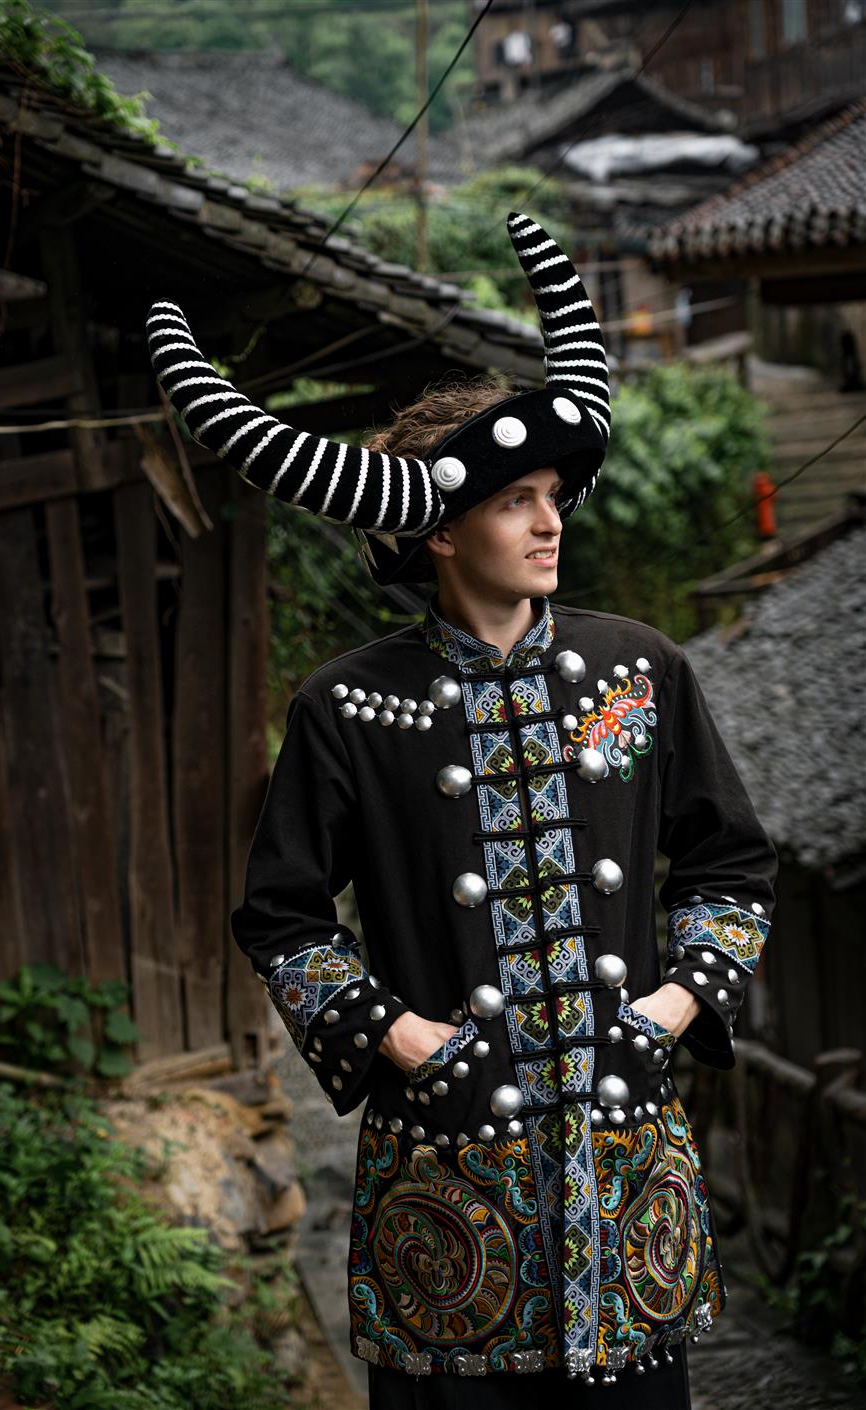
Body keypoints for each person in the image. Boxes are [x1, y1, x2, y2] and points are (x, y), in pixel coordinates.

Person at [145, 213, 778, 1406]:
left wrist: (675, 996)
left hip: (623, 1175)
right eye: (514, 500)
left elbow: (732, 869)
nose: (550, 522)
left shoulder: (636, 672)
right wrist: (399, 1035)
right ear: (440, 530)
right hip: (449, 1197)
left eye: (554, 494)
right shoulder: (346, 708)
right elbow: (282, 919)